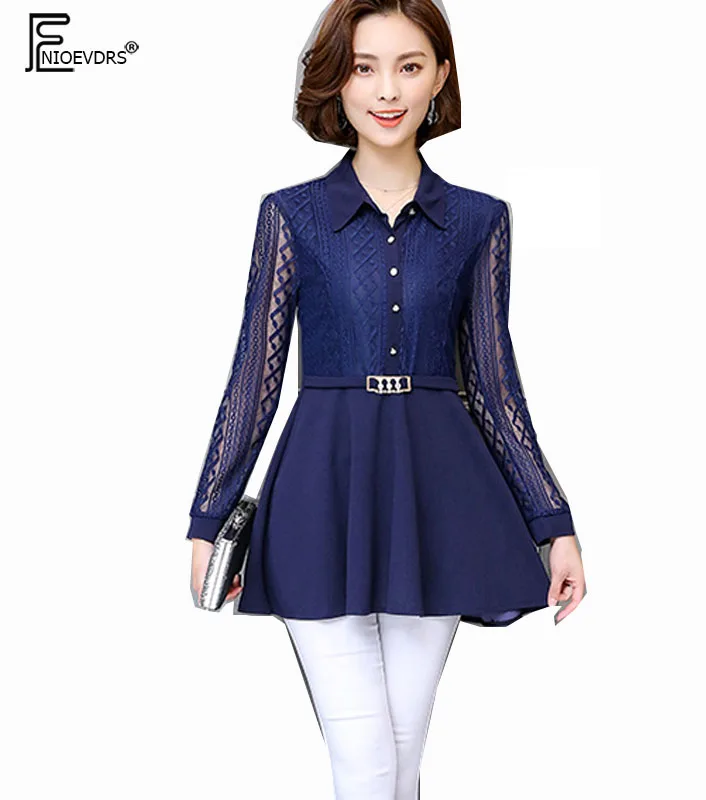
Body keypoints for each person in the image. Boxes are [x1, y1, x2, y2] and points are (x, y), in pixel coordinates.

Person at [187, 0, 587, 796]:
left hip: (439, 502)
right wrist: (210, 515)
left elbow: (494, 381)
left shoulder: (480, 221)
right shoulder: (290, 217)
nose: (387, 90)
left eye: (409, 66)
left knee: (397, 758)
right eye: (365, 68)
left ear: (441, 77)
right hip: (318, 497)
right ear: (338, 82)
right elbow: (253, 375)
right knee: (369, 760)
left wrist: (554, 523)